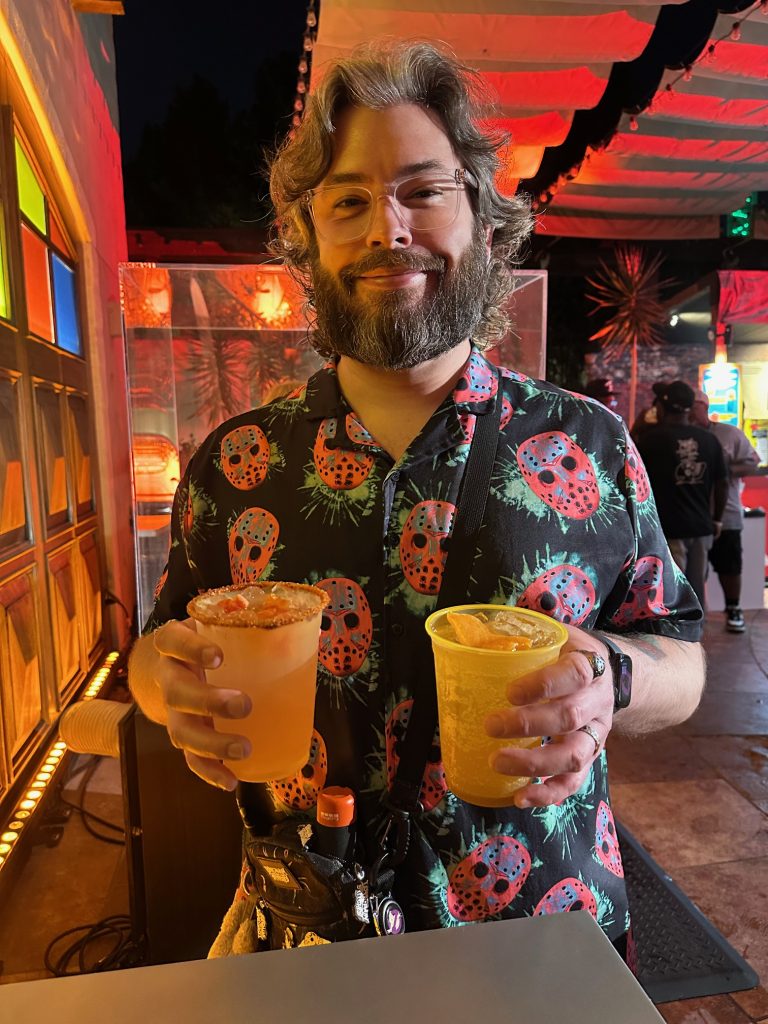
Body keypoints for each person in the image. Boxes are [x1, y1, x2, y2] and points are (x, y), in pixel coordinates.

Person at [128, 41, 705, 960]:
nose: (387, 229)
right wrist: (170, 691)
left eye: (424, 191)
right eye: (348, 201)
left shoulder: (588, 443)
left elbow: (681, 654)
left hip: (542, 937)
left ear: (483, 219)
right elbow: (157, 650)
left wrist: (613, 677)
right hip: (310, 934)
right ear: (309, 239)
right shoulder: (236, 463)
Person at [635, 380, 727, 610]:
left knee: (672, 594)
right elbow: (722, 483)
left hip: (668, 529)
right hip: (702, 526)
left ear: (662, 407)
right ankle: (698, 630)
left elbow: (635, 479)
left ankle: (677, 632)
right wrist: (717, 519)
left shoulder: (651, 440)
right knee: (697, 589)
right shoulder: (709, 439)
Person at [690, 389, 760, 632]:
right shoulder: (680, 434)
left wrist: (725, 470)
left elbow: (752, 461)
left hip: (726, 511)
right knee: (693, 570)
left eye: (694, 405)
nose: (690, 410)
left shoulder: (729, 433)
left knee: (729, 564)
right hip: (691, 513)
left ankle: (734, 608)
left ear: (704, 406)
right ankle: (693, 615)